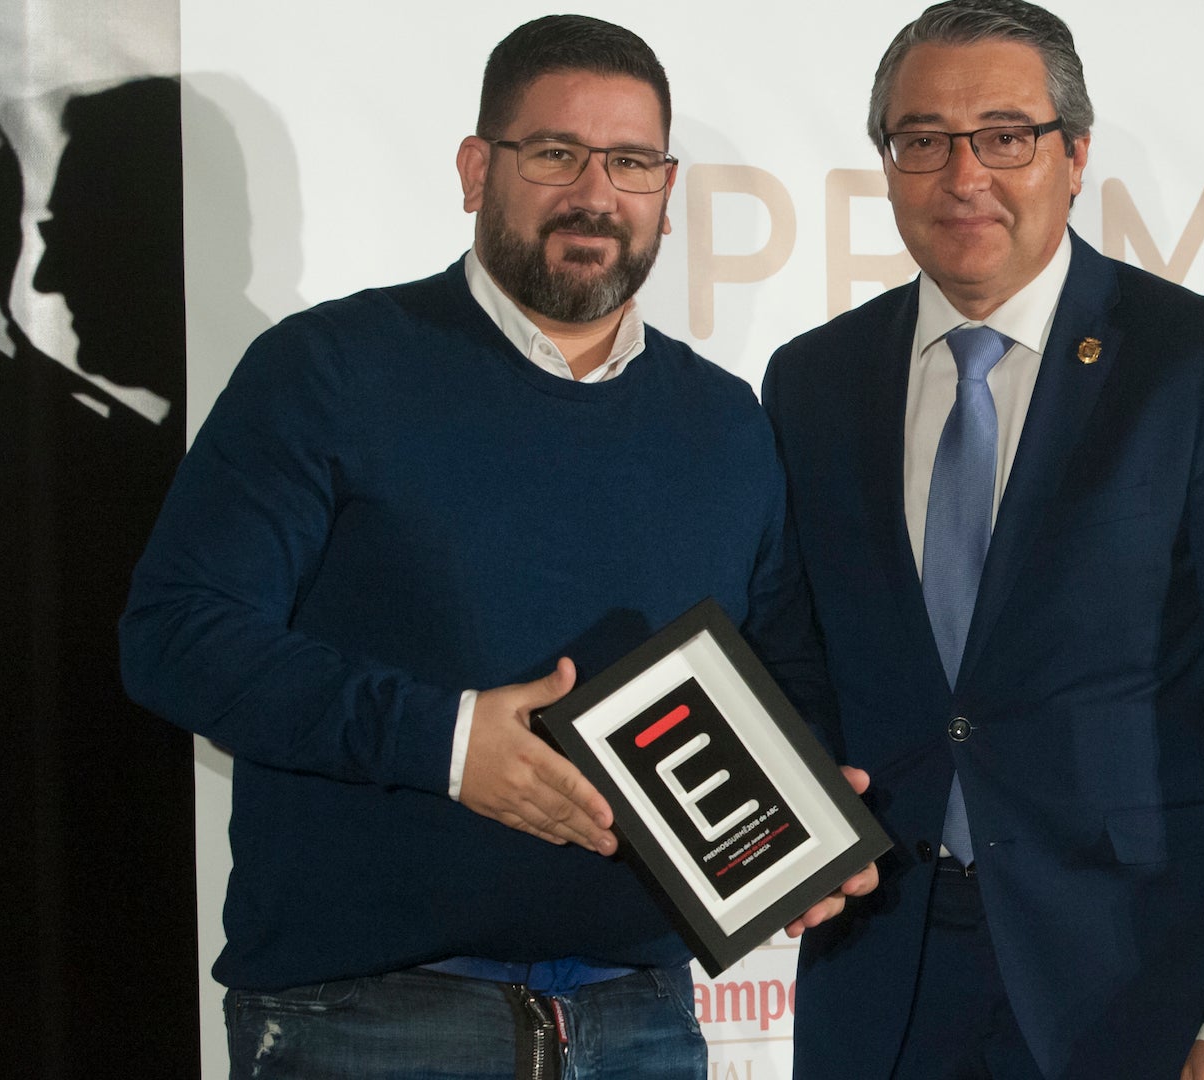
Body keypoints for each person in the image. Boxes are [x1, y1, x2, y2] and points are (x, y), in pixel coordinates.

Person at [121, 16, 868, 1078]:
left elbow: (787, 673)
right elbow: (175, 637)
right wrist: (448, 742)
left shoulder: (725, 423)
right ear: (478, 169)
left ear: (667, 187)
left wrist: (809, 824)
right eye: (555, 153)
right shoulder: (328, 371)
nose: (595, 194)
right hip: (366, 1023)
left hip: (645, 1024)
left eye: (630, 162)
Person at [761, 2, 1204, 1078]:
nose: (963, 174)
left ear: (1074, 156)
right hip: (878, 990)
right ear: (886, 165)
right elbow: (803, 664)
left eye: (1005, 135)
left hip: (1135, 988)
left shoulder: (1200, 368)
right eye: (922, 139)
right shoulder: (812, 381)